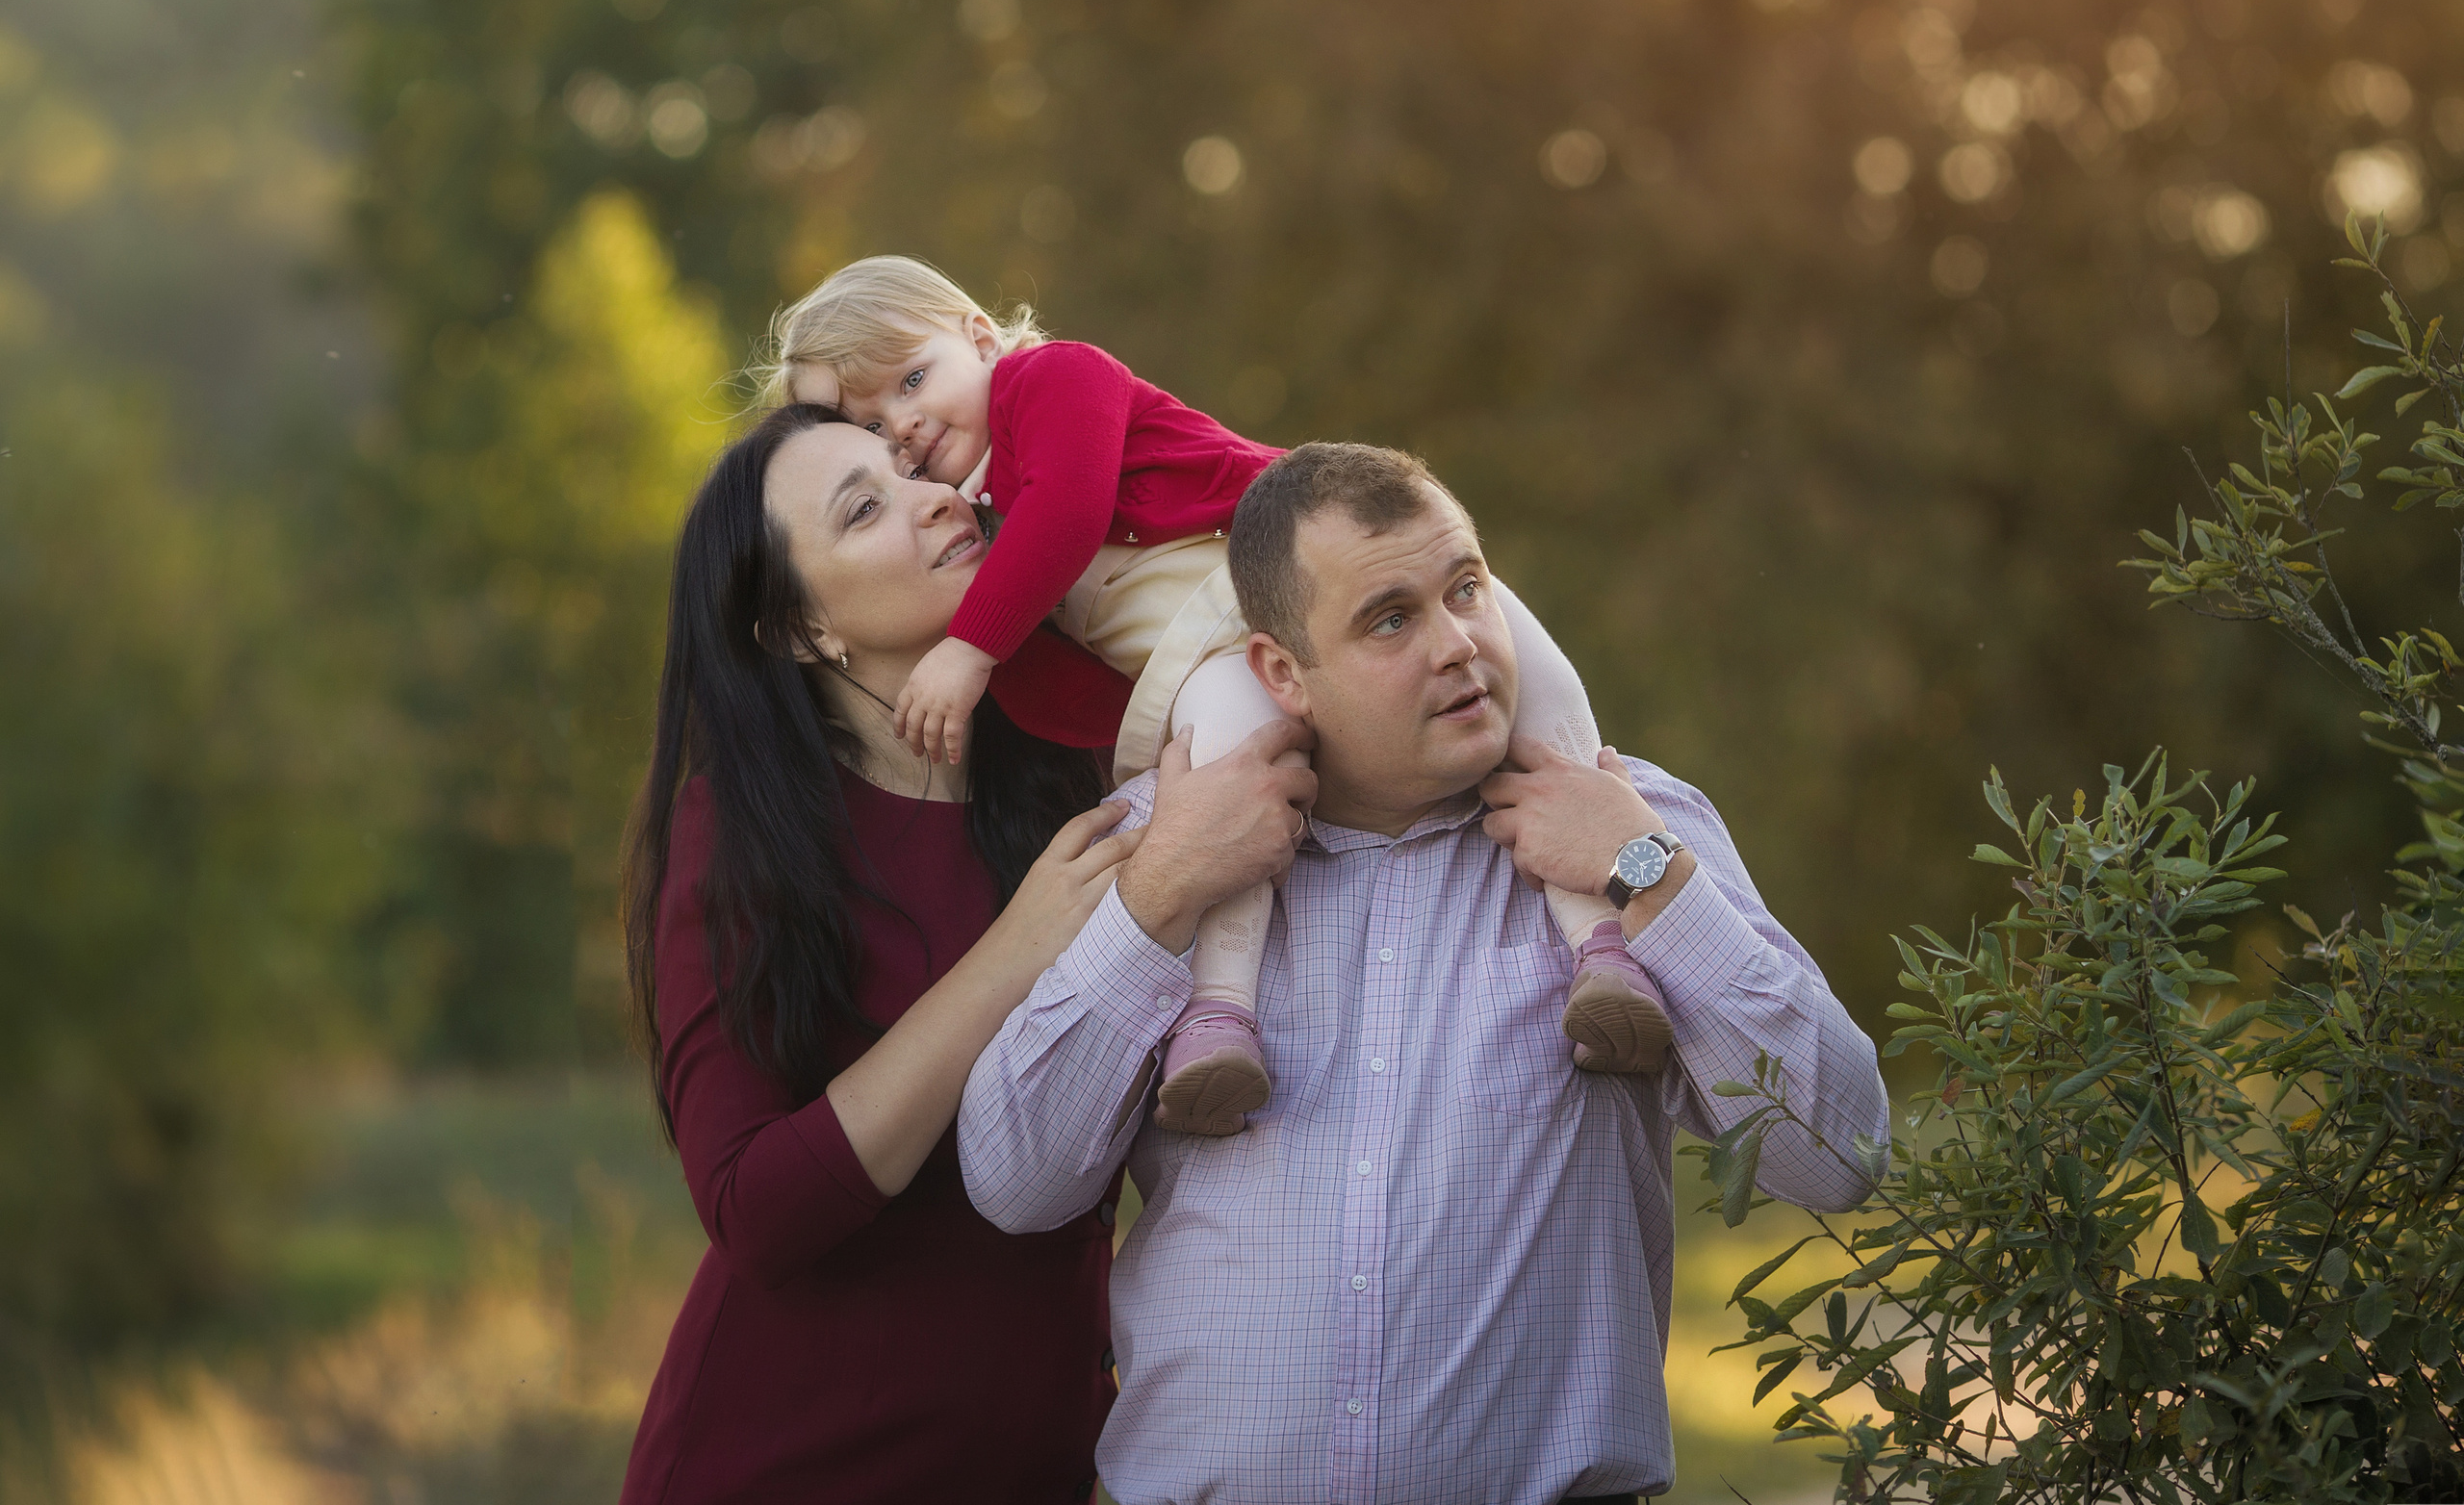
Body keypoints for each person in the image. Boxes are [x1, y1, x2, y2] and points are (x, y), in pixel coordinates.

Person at [958, 442, 1893, 1505]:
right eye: (1390, 618)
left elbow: (1840, 1150)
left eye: (1466, 588)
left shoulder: (1630, 826)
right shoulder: (1158, 846)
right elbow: (1013, 1183)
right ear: (1279, 670)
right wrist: (1161, 890)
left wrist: (1644, 873)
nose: (1457, 644)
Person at [767, 257, 1673, 1138]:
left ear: (979, 336)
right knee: (1231, 793)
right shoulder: (984, 541)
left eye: (914, 378)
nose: (907, 424)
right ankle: (1220, 1018)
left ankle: (1601, 944)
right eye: (874, 426)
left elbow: (1072, 505)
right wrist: (1089, 723)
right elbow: (1077, 695)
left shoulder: (1049, 380)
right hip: (1212, 660)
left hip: (1309, 570)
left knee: (1520, 670)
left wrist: (969, 650)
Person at [615, 403, 1155, 1504]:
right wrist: (1015, 953)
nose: (936, 497)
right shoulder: (744, 838)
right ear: (800, 631)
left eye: (913, 467)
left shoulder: (1084, 763)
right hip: (785, 1465)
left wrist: (1619, 852)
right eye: (865, 509)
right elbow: (752, 1206)